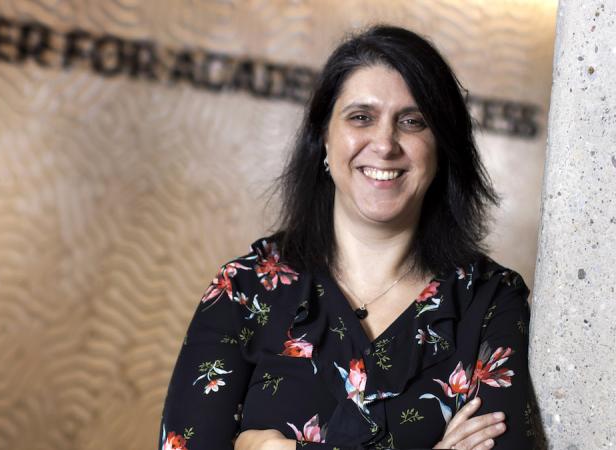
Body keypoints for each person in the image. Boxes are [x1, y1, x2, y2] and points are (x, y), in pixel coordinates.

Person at [158, 25, 539, 450]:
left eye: (412, 122)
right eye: (361, 117)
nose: (385, 143)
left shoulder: (490, 302)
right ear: (324, 138)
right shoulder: (244, 291)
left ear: (441, 148)